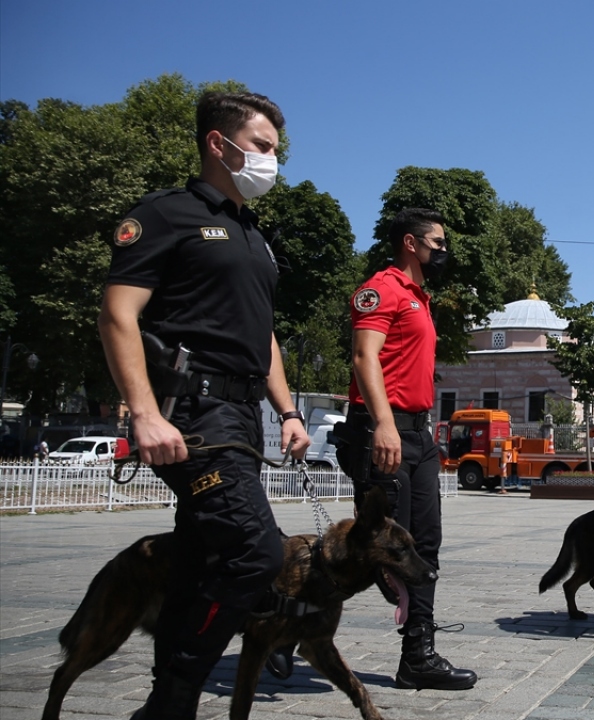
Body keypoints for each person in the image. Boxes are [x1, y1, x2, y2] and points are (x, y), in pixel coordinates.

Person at [97, 91, 310, 720]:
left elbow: (261, 332)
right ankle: (172, 701)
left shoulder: (253, 235)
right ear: (220, 143)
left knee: (202, 559)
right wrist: (144, 413)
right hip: (193, 413)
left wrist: (290, 411)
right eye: (264, 147)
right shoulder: (167, 215)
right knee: (256, 555)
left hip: (243, 416)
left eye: (277, 150)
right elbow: (118, 314)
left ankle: (168, 704)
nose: (273, 161)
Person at [337, 207, 476, 690]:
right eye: (437, 242)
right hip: (386, 430)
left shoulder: (420, 297)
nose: (444, 251)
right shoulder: (382, 289)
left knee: (424, 548)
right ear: (411, 244)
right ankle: (282, 622)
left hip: (418, 434)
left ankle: (418, 655)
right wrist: (382, 423)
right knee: (374, 552)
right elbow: (362, 357)